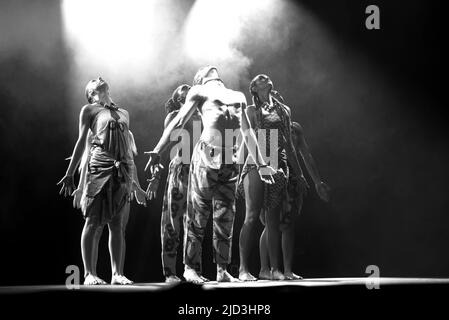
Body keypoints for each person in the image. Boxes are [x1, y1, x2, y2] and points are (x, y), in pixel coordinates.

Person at [145, 66, 276, 284]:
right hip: (207, 154)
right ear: (201, 78)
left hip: (230, 159)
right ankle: (189, 268)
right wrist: (158, 150)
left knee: (226, 216)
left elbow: (247, 131)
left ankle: (222, 269)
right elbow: (179, 122)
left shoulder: (238, 95)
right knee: (198, 213)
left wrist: (262, 164)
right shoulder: (198, 91)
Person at [58, 77, 147, 285]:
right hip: (99, 169)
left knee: (118, 226)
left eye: (100, 79)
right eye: (93, 82)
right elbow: (82, 143)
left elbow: (127, 152)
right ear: (91, 93)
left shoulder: (124, 113)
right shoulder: (89, 110)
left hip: (122, 171)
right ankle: (89, 273)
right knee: (93, 222)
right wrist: (71, 173)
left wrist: (137, 186)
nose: (98, 78)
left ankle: (117, 274)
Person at [237, 75, 309, 281]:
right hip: (255, 163)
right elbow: (247, 138)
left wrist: (300, 173)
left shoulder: (284, 110)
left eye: (266, 77)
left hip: (278, 164)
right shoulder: (250, 111)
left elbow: (288, 143)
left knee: (273, 220)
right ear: (254, 88)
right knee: (251, 216)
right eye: (258, 78)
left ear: (270, 85)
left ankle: (274, 270)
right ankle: (243, 268)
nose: (263, 77)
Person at [146, 84, 203, 282]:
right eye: (186, 93)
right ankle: (170, 272)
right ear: (180, 100)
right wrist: (156, 177)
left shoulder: (204, 116)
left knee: (195, 222)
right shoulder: (175, 116)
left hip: (199, 171)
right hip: (181, 169)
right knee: (172, 221)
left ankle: (192, 268)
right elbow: (167, 142)